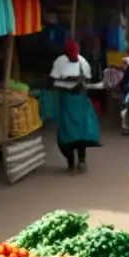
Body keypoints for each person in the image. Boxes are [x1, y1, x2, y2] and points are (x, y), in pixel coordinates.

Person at [49, 41, 100, 173]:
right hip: (68, 101)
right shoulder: (60, 62)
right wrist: (69, 82)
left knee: (77, 134)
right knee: (70, 133)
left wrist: (79, 83)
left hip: (78, 100)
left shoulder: (82, 62)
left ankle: (79, 162)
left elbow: (88, 79)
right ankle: (74, 163)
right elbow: (54, 81)